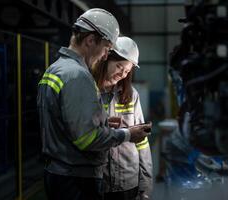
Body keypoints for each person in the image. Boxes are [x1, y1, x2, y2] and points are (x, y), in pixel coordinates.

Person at [37, 8, 151, 200]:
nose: (105, 55)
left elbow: (67, 123)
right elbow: (87, 139)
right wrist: (127, 134)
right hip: (76, 180)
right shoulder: (78, 76)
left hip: (60, 174)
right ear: (90, 40)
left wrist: (103, 122)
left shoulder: (55, 69)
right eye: (106, 48)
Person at [92, 36, 153, 200]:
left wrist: (145, 184)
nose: (122, 74)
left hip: (127, 181)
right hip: (98, 180)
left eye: (127, 71)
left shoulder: (131, 95)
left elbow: (143, 142)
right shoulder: (89, 91)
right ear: (106, 59)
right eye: (119, 66)